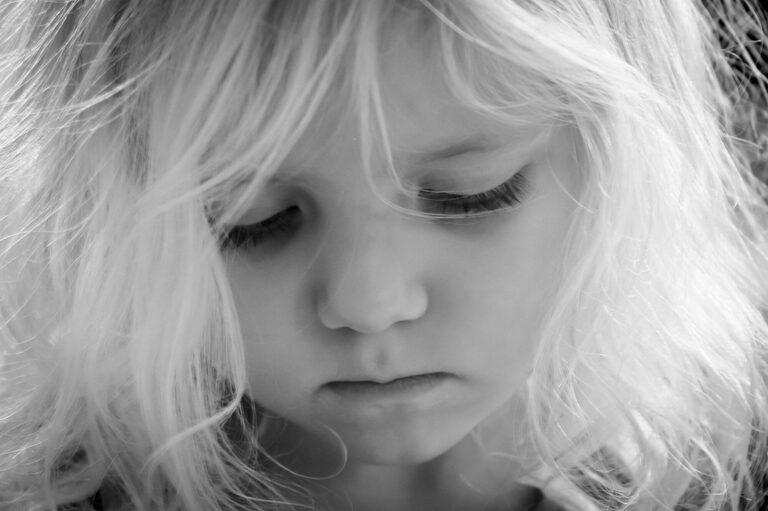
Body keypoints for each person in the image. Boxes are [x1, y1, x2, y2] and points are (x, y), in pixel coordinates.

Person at [1, 1, 767, 509]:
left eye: (470, 194)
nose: (369, 303)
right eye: (250, 220)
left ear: (624, 165)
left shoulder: (721, 473)